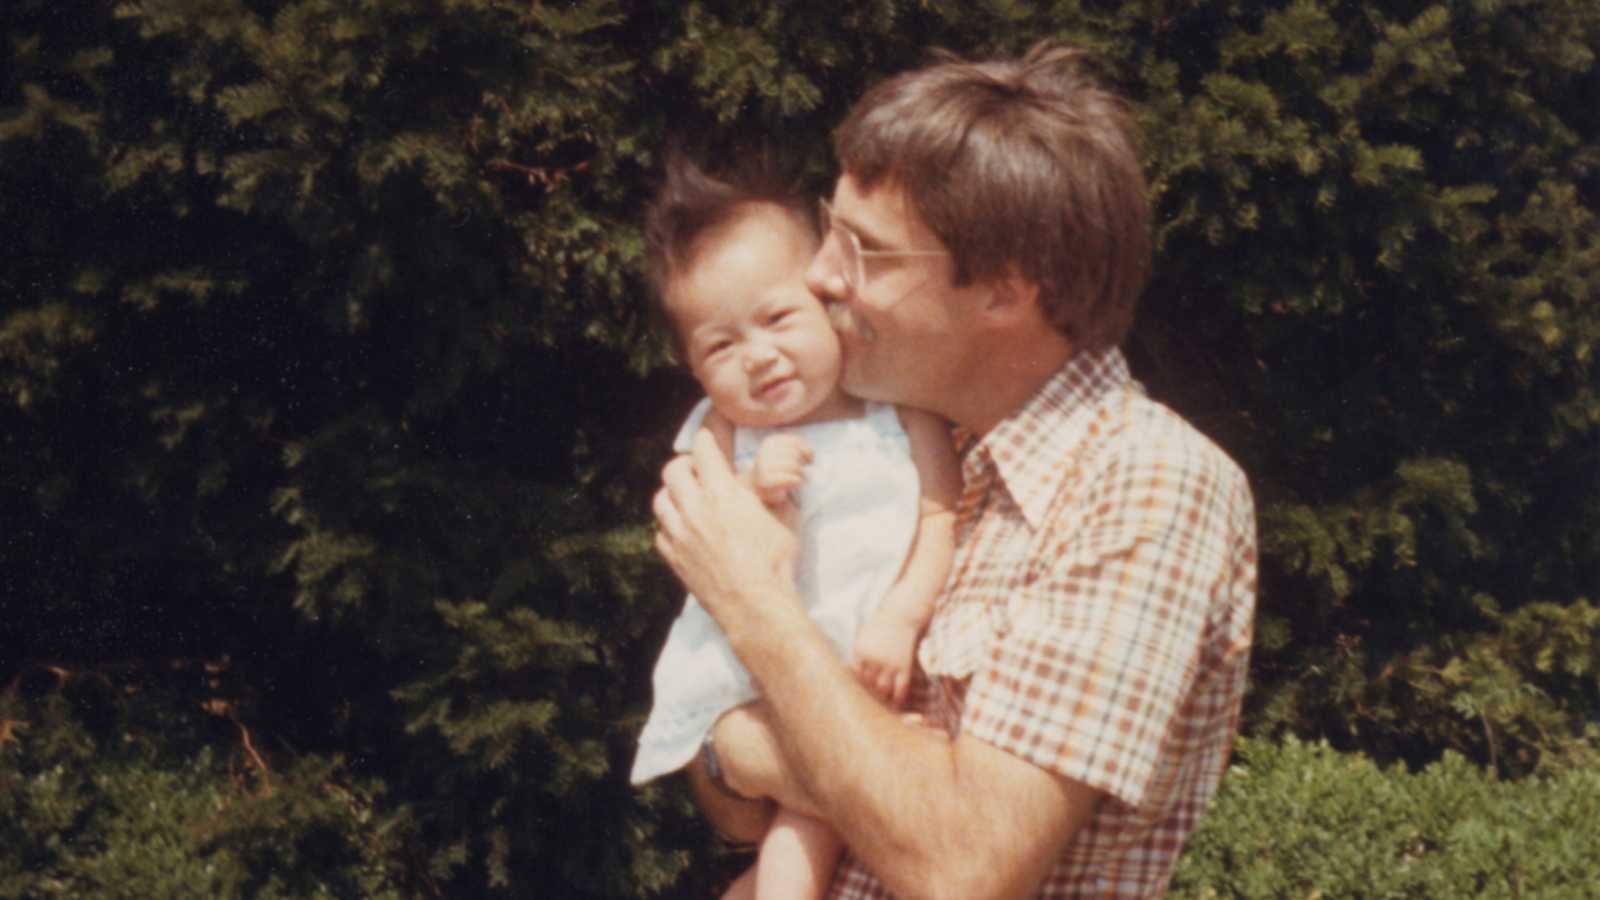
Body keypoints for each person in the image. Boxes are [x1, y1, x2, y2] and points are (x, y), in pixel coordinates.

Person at [652, 42, 1258, 898]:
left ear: (1007, 289)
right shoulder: (920, 455)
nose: (822, 275)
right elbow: (732, 807)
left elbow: (965, 866)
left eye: (866, 251)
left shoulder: (1147, 486)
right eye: (830, 229)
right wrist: (731, 749)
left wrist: (753, 608)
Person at [631, 151, 962, 900]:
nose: (760, 356)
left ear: (824, 300)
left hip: (873, 655)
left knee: (816, 831)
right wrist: (754, 489)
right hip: (760, 679)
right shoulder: (720, 433)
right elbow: (712, 540)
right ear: (691, 365)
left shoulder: (898, 406)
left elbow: (944, 512)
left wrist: (903, 617)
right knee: (805, 827)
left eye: (777, 318)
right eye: (721, 345)